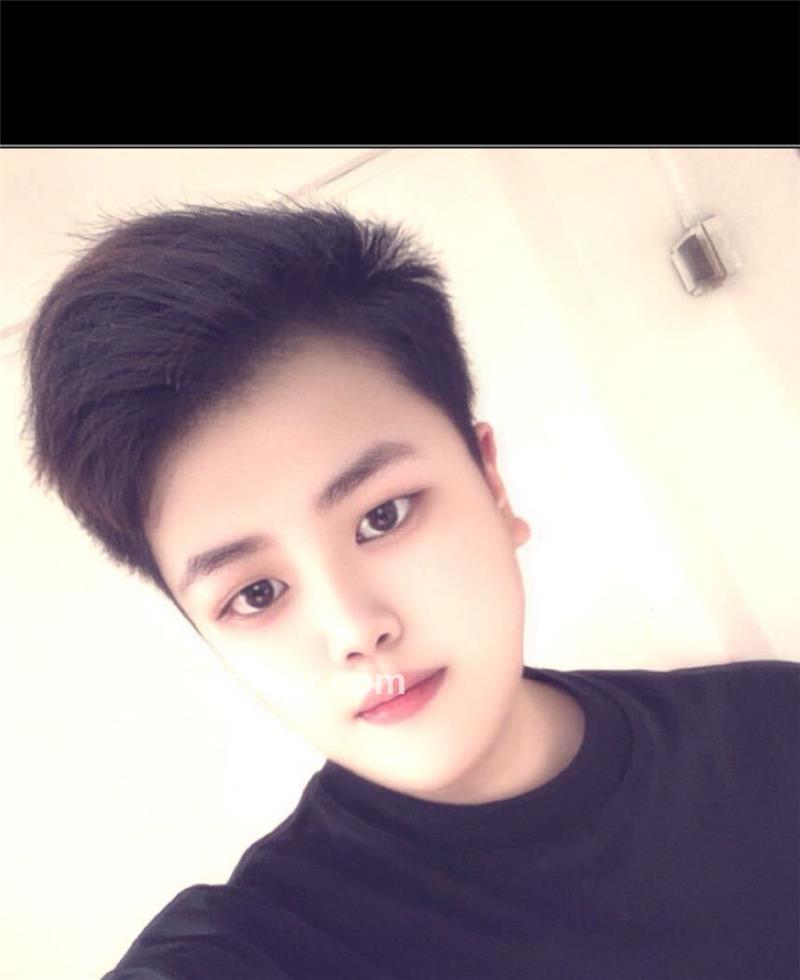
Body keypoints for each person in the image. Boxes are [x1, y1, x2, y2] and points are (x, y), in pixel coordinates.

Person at [22, 202, 799, 980]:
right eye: (255, 594)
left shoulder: (774, 730)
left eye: (382, 516)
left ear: (491, 483)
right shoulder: (259, 945)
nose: (355, 629)